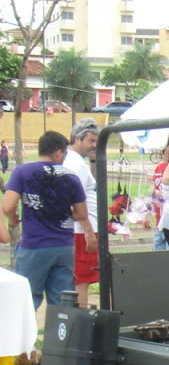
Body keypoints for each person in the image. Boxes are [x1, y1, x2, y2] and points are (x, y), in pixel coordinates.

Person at [1, 131, 87, 309]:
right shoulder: (71, 176)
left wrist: (14, 218)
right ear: (58, 153)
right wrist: (61, 211)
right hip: (63, 245)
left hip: (35, 244)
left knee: (27, 298)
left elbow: (8, 206)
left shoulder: (22, 172)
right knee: (63, 300)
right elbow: (81, 214)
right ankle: (61, 335)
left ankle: (24, 336)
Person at [63, 118, 100, 308]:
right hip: (82, 230)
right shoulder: (76, 164)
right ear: (77, 139)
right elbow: (75, 201)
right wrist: (88, 231)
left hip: (82, 228)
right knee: (81, 281)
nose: (94, 145)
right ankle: (81, 323)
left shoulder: (74, 162)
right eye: (91, 141)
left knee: (80, 279)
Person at [151, 138, 169, 251]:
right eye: (168, 154)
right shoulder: (159, 168)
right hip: (159, 220)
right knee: (157, 253)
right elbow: (154, 190)